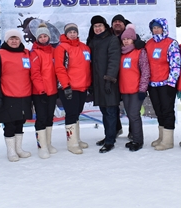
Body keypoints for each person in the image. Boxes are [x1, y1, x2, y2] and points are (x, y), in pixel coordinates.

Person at [0, 29, 33, 162]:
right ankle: (11, 150)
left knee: (20, 122)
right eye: (11, 39)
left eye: (16, 39)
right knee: (9, 124)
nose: (14, 41)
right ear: (6, 40)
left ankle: (19, 149)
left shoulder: (26, 53)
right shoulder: (0, 54)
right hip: (8, 94)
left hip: (24, 94)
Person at [54, 23, 92, 154]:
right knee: (71, 114)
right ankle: (72, 143)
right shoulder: (62, 48)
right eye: (69, 32)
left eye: (74, 32)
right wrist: (66, 86)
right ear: (66, 34)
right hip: (69, 87)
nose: (72, 34)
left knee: (77, 113)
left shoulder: (85, 48)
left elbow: (88, 67)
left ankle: (77, 139)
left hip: (82, 86)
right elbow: (59, 68)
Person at [86, 15, 121, 153]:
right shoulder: (92, 42)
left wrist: (109, 79)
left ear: (105, 27)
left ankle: (110, 140)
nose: (98, 28)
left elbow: (114, 61)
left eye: (100, 25)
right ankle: (109, 135)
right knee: (104, 111)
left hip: (108, 83)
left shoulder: (112, 40)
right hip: (98, 83)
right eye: (95, 26)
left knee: (110, 112)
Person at [145, 18, 181, 151]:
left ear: (164, 28)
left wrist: (172, 83)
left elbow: (175, 65)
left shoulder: (171, 43)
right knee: (158, 110)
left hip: (166, 84)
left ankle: (168, 140)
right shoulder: (149, 44)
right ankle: (161, 136)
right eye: (153, 28)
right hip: (153, 84)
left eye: (158, 27)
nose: (155, 30)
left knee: (167, 111)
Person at [118, 25, 150, 152]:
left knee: (134, 114)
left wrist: (143, 89)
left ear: (133, 39)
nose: (126, 41)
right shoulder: (121, 53)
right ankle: (134, 137)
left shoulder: (139, 52)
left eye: (128, 39)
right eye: (124, 39)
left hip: (136, 90)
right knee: (130, 115)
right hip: (125, 90)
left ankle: (138, 141)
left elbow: (145, 71)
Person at [30, 23, 59, 159]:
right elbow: (35, 73)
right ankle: (41, 146)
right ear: (37, 38)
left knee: (49, 117)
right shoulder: (35, 53)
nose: (43, 38)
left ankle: (48, 143)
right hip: (40, 92)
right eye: (40, 36)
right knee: (41, 118)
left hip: (52, 90)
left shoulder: (53, 51)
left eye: (45, 36)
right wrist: (41, 90)